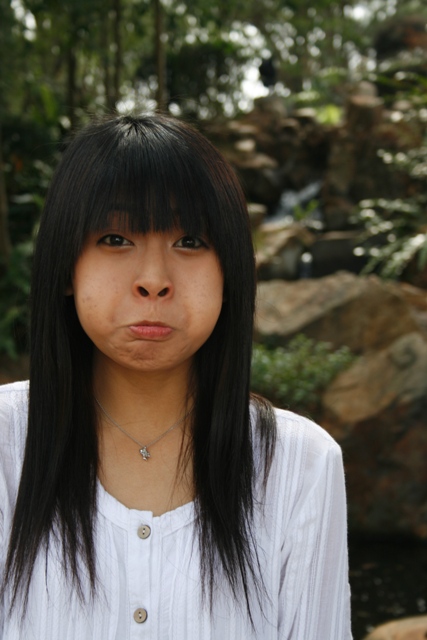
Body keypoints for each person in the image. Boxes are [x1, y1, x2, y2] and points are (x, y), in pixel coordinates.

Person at [0, 114, 352, 639]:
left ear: (231, 271)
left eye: (189, 241)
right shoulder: (7, 443)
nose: (153, 281)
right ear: (66, 267)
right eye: (116, 238)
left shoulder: (299, 465)